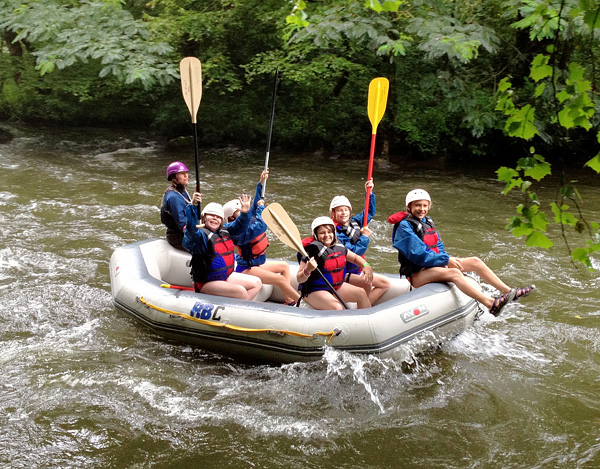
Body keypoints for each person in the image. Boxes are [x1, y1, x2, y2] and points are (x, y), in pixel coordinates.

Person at [389, 189, 535, 316]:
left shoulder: (426, 221)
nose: (421, 209)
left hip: (432, 266)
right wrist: (445, 261)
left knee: (475, 262)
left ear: (429, 206)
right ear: (409, 207)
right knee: (455, 273)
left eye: (425, 205)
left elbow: (437, 245)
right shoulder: (404, 227)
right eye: (417, 205)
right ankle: (491, 304)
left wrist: (443, 261)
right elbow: (418, 254)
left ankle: (509, 292)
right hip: (417, 275)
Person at [223, 169, 301, 306]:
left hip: (256, 264)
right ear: (230, 218)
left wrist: (261, 183)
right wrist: (261, 209)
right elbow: (261, 226)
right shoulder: (237, 232)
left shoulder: (246, 219)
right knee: (281, 280)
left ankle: (288, 300)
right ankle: (303, 303)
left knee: (284, 266)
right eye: (240, 211)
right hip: (246, 268)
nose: (244, 212)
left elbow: (255, 204)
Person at [183, 197, 262, 300]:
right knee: (241, 291)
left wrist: (245, 213)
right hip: (206, 282)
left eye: (218, 217)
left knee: (257, 283)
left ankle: (241, 307)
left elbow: (239, 226)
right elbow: (191, 231)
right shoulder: (200, 237)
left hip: (225, 277)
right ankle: (241, 309)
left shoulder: (224, 230)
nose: (215, 218)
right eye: (211, 215)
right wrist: (193, 206)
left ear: (221, 221)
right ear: (204, 217)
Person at [329, 179, 391, 304]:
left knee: (385, 284)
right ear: (333, 213)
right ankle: (364, 307)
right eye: (339, 210)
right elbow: (353, 252)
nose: (343, 213)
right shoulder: (334, 233)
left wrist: (369, 192)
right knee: (366, 284)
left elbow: (369, 212)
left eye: (346, 209)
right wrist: (364, 237)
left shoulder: (355, 222)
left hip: (358, 269)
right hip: (345, 273)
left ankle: (363, 306)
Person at [297, 216, 373, 310]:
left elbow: (355, 258)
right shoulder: (311, 252)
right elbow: (300, 279)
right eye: (322, 233)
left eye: (329, 232)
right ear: (315, 235)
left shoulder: (339, 247)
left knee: (361, 293)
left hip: (335, 286)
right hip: (314, 290)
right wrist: (308, 269)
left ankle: (363, 323)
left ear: (334, 233)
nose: (327, 235)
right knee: (337, 307)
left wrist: (366, 265)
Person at [160, 161, 201, 250]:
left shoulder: (183, 191)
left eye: (186, 173)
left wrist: (195, 204)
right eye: (182, 174)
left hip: (184, 233)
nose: (186, 176)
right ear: (174, 178)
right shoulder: (174, 197)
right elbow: (183, 224)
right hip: (178, 238)